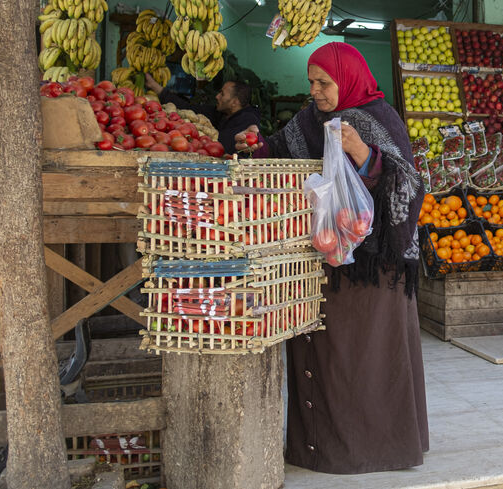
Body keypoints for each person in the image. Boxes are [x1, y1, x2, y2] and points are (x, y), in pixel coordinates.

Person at [236, 42, 429, 475]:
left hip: (372, 269)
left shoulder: (378, 119)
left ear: (349, 79)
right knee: (326, 356)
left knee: (363, 360)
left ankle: (376, 448)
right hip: (325, 255)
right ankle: (318, 448)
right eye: (311, 82)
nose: (316, 91)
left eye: (324, 82)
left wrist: (363, 154)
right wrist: (253, 148)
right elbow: (278, 150)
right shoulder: (311, 120)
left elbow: (410, 187)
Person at [144, 74, 262, 155]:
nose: (217, 96)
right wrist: (156, 87)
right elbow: (189, 109)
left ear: (235, 102)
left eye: (222, 94)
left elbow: (218, 143)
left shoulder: (248, 121)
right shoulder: (221, 112)